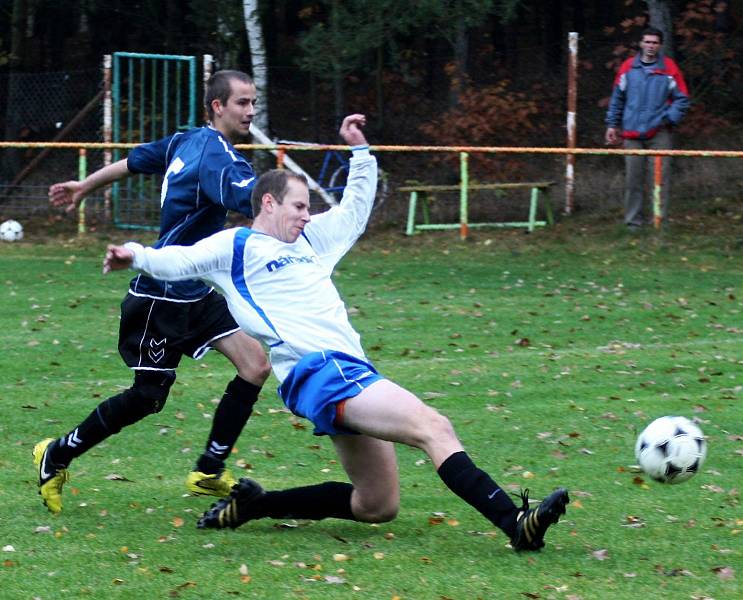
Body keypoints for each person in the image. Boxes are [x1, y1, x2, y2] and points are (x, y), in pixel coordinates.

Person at [103, 113, 570, 552]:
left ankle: (256, 504)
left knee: (377, 505)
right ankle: (515, 523)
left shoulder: (310, 240)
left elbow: (354, 211)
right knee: (434, 427)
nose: (308, 215)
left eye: (309, 207)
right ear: (268, 203)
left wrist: (361, 153)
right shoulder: (236, 246)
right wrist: (135, 254)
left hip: (343, 374)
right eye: (299, 206)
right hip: (321, 373)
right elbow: (179, 260)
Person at [35, 70, 271, 514]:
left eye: (254, 102)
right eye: (242, 102)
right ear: (218, 106)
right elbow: (251, 200)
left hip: (193, 290)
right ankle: (57, 454)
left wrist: (86, 185)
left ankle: (208, 470)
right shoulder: (217, 158)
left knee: (255, 365)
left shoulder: (186, 141)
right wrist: (294, 206)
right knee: (148, 396)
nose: (251, 111)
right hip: (159, 295)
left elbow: (134, 161)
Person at [605, 27, 690, 229]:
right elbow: (617, 99)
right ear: (641, 44)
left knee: (660, 180)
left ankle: (659, 222)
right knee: (632, 180)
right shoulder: (627, 68)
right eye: (648, 42)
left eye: (655, 43)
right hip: (631, 133)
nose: (651, 46)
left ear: (660, 45)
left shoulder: (669, 68)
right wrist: (612, 124)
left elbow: (682, 99)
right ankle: (633, 223)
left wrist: (669, 119)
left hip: (659, 132)